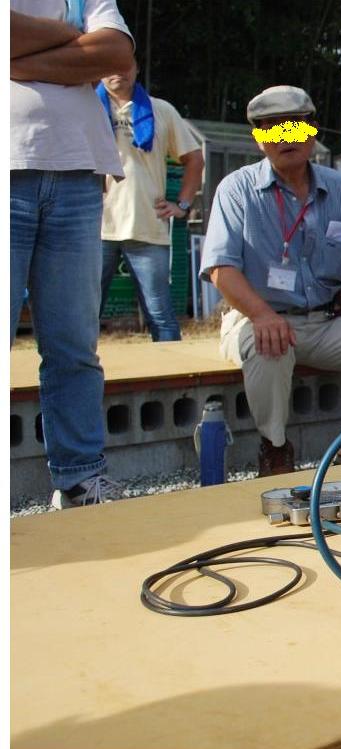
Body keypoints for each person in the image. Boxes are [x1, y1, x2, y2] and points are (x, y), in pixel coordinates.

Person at [200, 86, 341, 476]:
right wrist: (262, 314)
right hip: (256, 318)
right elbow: (221, 267)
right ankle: (274, 446)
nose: (286, 137)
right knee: (268, 344)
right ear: (259, 139)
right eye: (273, 128)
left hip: (327, 321)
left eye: (295, 126)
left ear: (313, 132)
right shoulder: (237, 190)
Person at [10, 1, 134, 509]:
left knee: (74, 344)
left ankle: (81, 477)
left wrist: (20, 57)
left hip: (79, 173)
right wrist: (69, 36)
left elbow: (117, 54)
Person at [97, 58, 204, 341]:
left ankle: (172, 369)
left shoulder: (161, 109)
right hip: (95, 227)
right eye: (110, 64)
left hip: (147, 224)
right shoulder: (86, 105)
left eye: (124, 64)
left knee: (160, 316)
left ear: (136, 68)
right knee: (84, 315)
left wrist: (182, 205)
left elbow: (194, 158)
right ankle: (80, 371)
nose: (117, 70)